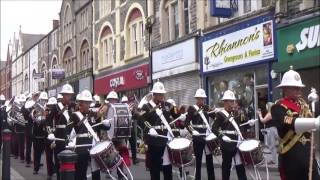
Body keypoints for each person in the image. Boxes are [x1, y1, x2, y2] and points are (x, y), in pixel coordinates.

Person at [271, 67, 320, 180]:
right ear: (285, 89)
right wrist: (314, 123)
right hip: (291, 158)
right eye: (295, 88)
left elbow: (316, 113)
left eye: (299, 88)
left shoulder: (305, 105)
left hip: (308, 157)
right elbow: (290, 123)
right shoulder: (278, 107)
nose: (299, 90)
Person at [140, 81, 179, 180]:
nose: (162, 96)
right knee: (155, 169)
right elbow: (141, 120)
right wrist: (149, 129)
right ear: (154, 94)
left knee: (167, 167)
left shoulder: (167, 105)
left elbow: (175, 115)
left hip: (167, 139)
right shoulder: (147, 106)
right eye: (159, 94)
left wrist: (181, 116)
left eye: (162, 94)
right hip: (155, 140)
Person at [212, 90, 248, 180]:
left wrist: (249, 122)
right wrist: (222, 136)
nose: (233, 103)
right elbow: (214, 129)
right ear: (225, 102)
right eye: (231, 101)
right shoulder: (220, 115)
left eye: (233, 101)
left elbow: (244, 123)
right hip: (227, 145)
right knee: (226, 168)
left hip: (237, 143)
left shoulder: (237, 113)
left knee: (240, 167)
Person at [68, 90, 101, 180]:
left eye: (88, 102)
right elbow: (69, 131)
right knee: (80, 173)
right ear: (80, 103)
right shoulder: (74, 115)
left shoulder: (93, 114)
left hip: (94, 146)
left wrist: (107, 124)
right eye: (85, 102)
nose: (87, 104)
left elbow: (99, 127)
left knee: (96, 171)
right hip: (81, 147)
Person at [185, 88, 216, 180]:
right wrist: (192, 131)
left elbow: (215, 117)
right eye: (199, 98)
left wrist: (216, 112)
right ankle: (197, 178)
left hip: (206, 136)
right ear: (196, 98)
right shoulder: (191, 108)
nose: (201, 100)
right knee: (198, 160)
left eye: (203, 98)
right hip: (197, 137)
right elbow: (186, 123)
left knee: (209, 159)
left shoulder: (206, 107)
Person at [52, 83, 75, 180]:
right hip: (59, 137)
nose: (68, 97)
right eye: (66, 94)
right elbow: (50, 122)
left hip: (70, 137)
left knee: (70, 162)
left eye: (70, 95)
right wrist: (51, 137)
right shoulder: (56, 106)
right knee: (59, 161)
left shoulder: (73, 105)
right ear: (63, 95)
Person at [31, 91, 48, 175]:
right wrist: (37, 117)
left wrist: (44, 116)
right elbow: (33, 119)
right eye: (42, 99)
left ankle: (51, 170)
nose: (44, 101)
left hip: (45, 134)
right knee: (37, 153)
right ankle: (36, 168)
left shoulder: (48, 109)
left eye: (45, 100)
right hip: (37, 134)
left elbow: (48, 121)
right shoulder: (35, 109)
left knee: (48, 154)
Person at [121, 95, 139, 164]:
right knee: (124, 145)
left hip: (131, 128)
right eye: (123, 102)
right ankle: (125, 159)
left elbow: (135, 117)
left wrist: (135, 111)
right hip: (124, 129)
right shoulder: (121, 110)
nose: (125, 103)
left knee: (133, 143)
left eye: (126, 102)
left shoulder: (131, 109)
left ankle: (134, 159)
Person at [45, 97, 58, 179]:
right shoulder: (47, 115)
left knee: (57, 157)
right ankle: (50, 172)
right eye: (49, 106)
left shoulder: (58, 115)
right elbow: (47, 126)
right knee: (49, 157)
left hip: (56, 138)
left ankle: (56, 170)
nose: (50, 108)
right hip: (49, 137)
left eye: (52, 106)